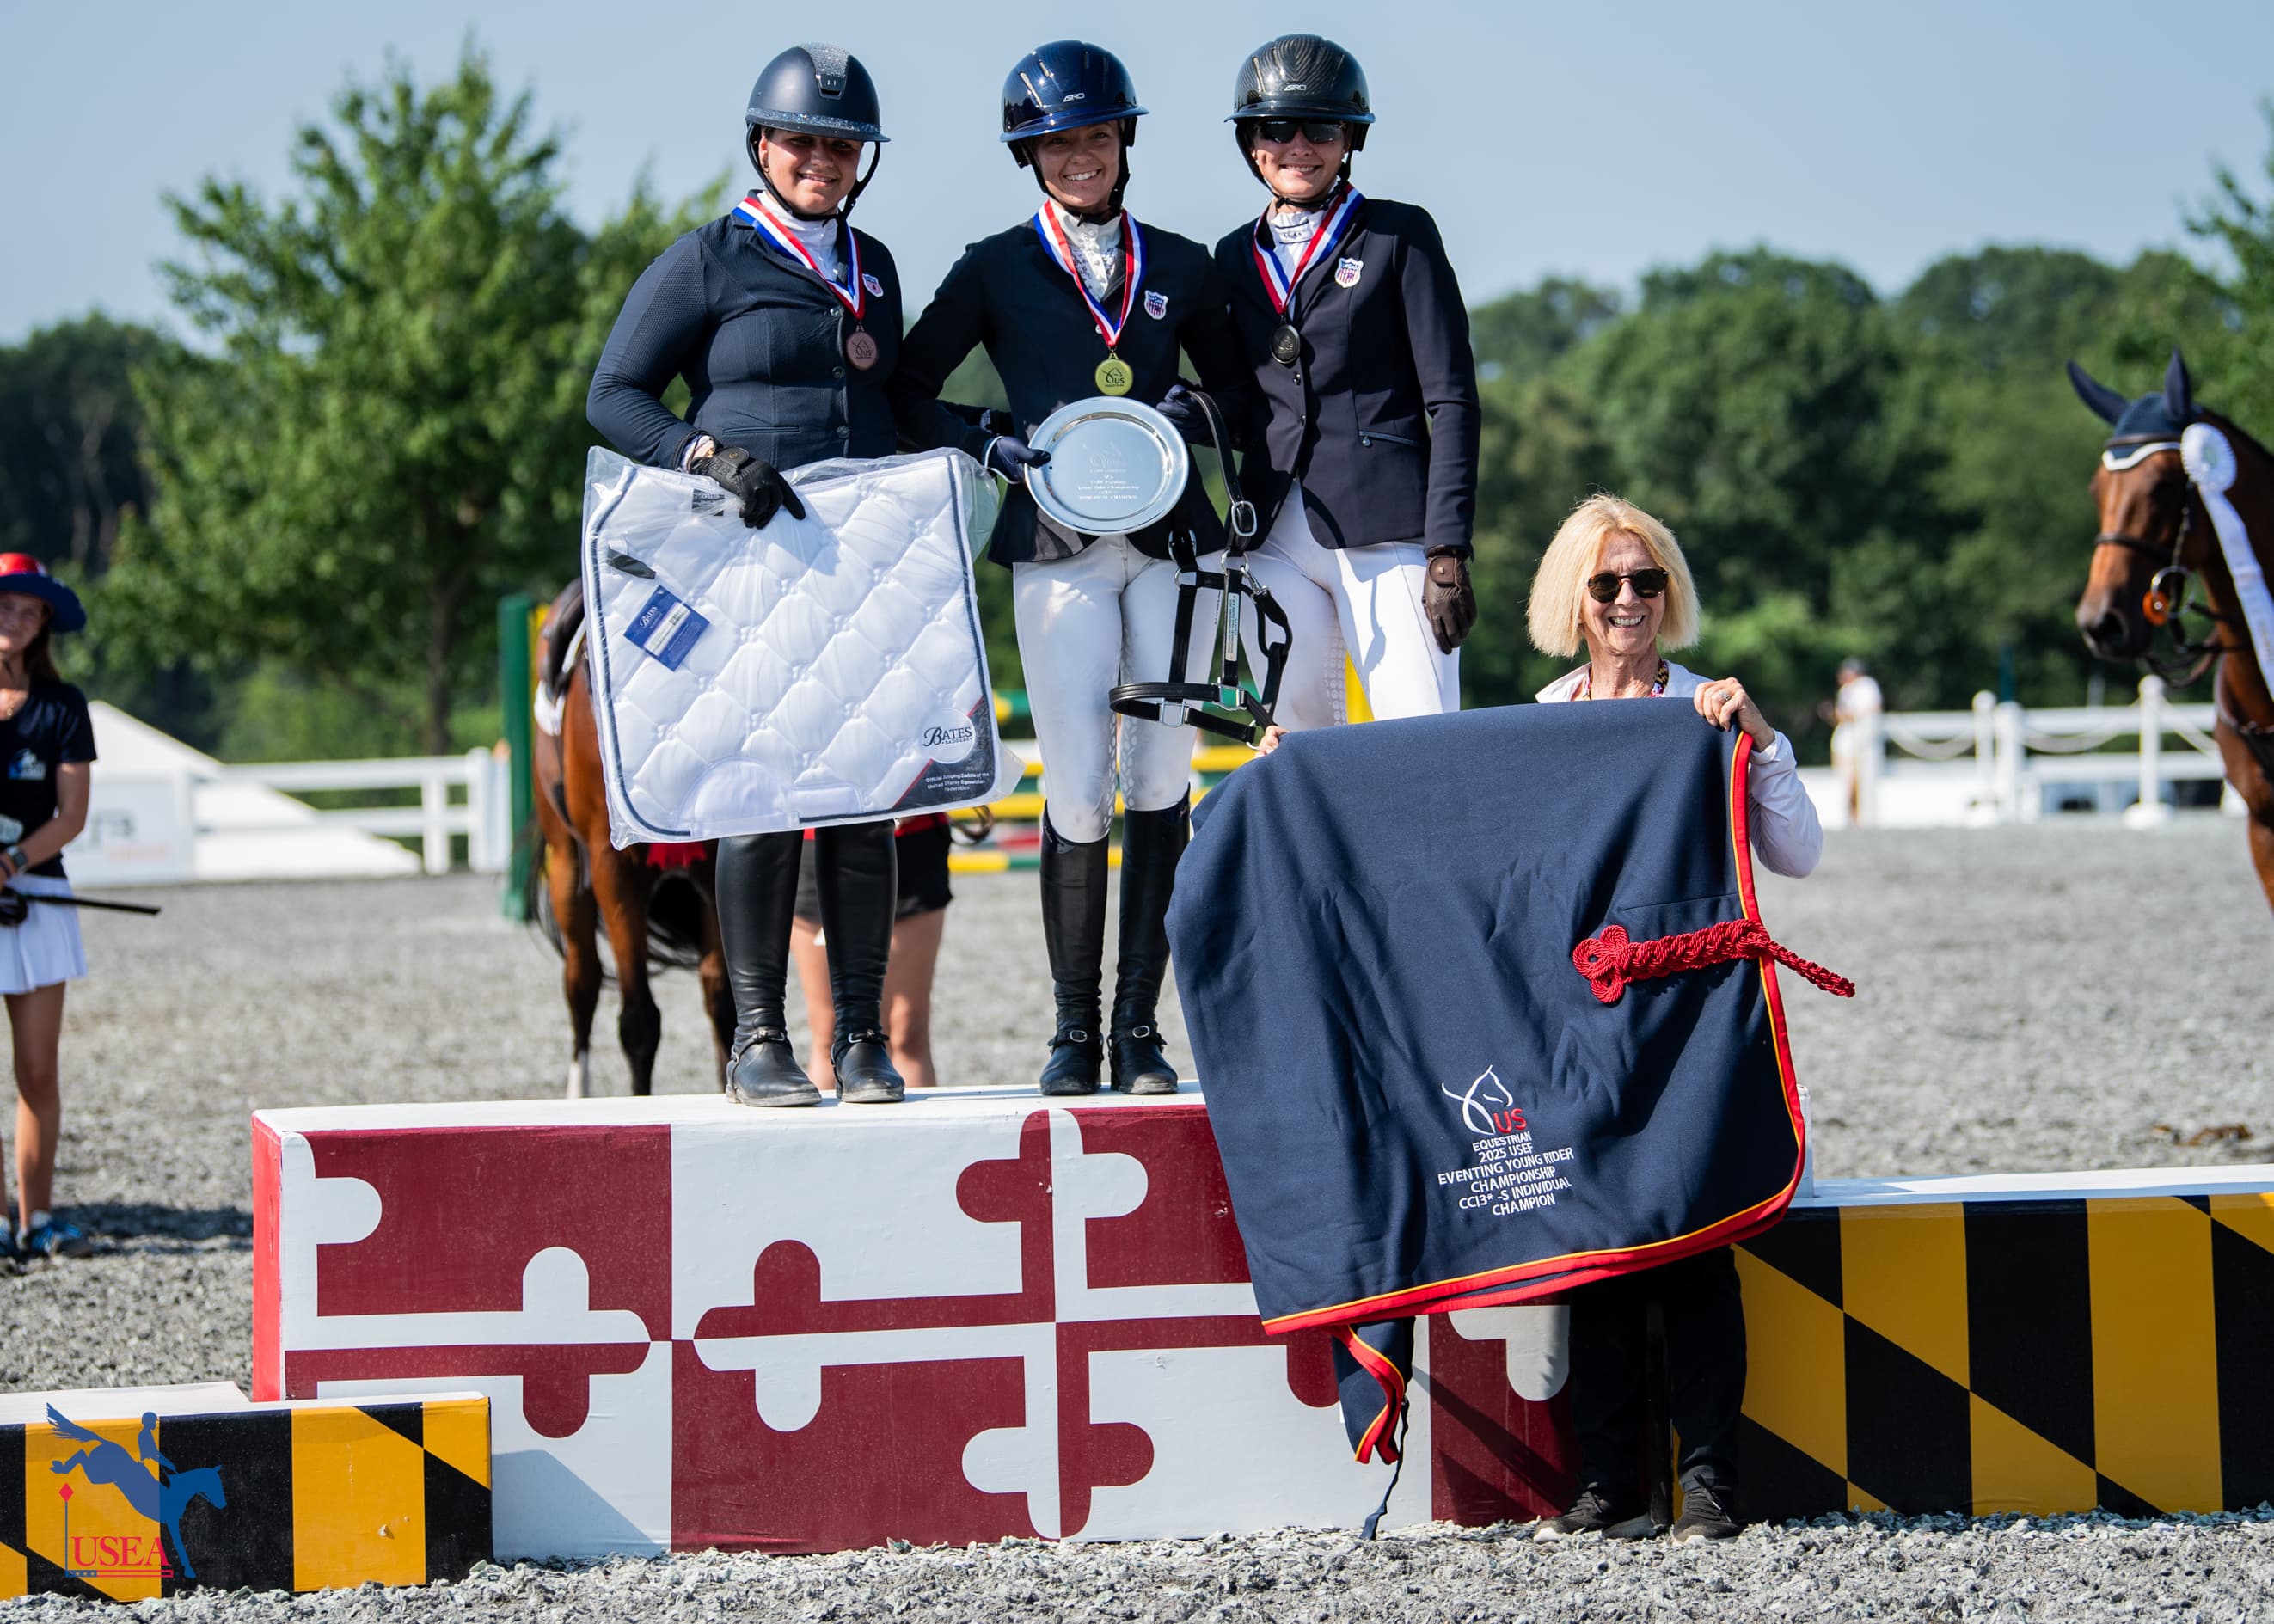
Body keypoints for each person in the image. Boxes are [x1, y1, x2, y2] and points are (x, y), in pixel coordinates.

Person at [889, 41, 1252, 1098]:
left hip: (1169, 540)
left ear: (1123, 139)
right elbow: (913, 386)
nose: (1079, 156)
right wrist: (988, 438)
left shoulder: (1183, 265)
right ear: (1029, 155)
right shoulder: (994, 266)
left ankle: (1139, 1027)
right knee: (1078, 786)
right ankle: (1069, 1028)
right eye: (1057, 143)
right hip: (1056, 550)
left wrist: (1195, 407)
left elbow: (1234, 396)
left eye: (1095, 136)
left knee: (1160, 776)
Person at [586, 45, 910, 1107]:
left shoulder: (875, 266)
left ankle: (858, 1038)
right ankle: (758, 1038)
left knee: (865, 801)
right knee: (762, 791)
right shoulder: (709, 258)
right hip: (746, 559)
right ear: (763, 146)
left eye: (841, 144)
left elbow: (894, 404)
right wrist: (706, 456)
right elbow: (615, 394)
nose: (822, 159)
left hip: (857, 567)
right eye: (803, 141)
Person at [1524, 493, 1821, 1542]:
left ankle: (1710, 1483)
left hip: (1695, 1013)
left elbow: (1798, 853)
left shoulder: (1709, 704)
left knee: (1697, 1244)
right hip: (1586, 1019)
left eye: (1644, 581)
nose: (1625, 600)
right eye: (1604, 583)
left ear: (1669, 593)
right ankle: (1609, 1480)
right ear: (1574, 598)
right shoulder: (1542, 718)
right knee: (1594, 1244)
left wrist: (1761, 738)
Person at [1214, 34, 1480, 733]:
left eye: (1321, 127)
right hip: (1275, 532)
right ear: (1251, 141)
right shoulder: (1232, 257)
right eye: (1276, 127)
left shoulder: (1399, 236)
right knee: (1300, 747)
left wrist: (1447, 546)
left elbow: (1450, 397)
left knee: (1418, 739)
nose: (1298, 145)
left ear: (1348, 138)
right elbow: (1245, 400)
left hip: (1386, 529)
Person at [0, 556, 95, 1261]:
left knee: (37, 1071)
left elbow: (71, 816)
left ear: (43, 628)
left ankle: (38, 1217)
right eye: (6, 605)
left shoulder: (64, 707)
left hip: (37, 900)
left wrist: (10, 862)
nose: (16, 619)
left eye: (30, 612)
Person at [790, 814, 953, 1090]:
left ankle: (918, 1131)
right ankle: (822, 1132)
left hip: (911, 834)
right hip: (814, 835)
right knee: (827, 1031)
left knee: (906, 1028)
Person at [1828, 657, 1884, 826]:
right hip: (1847, 744)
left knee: (1860, 782)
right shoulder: (1846, 690)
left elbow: (1867, 710)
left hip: (1861, 742)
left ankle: (1860, 818)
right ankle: (1852, 818)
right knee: (1848, 782)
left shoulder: (1866, 686)